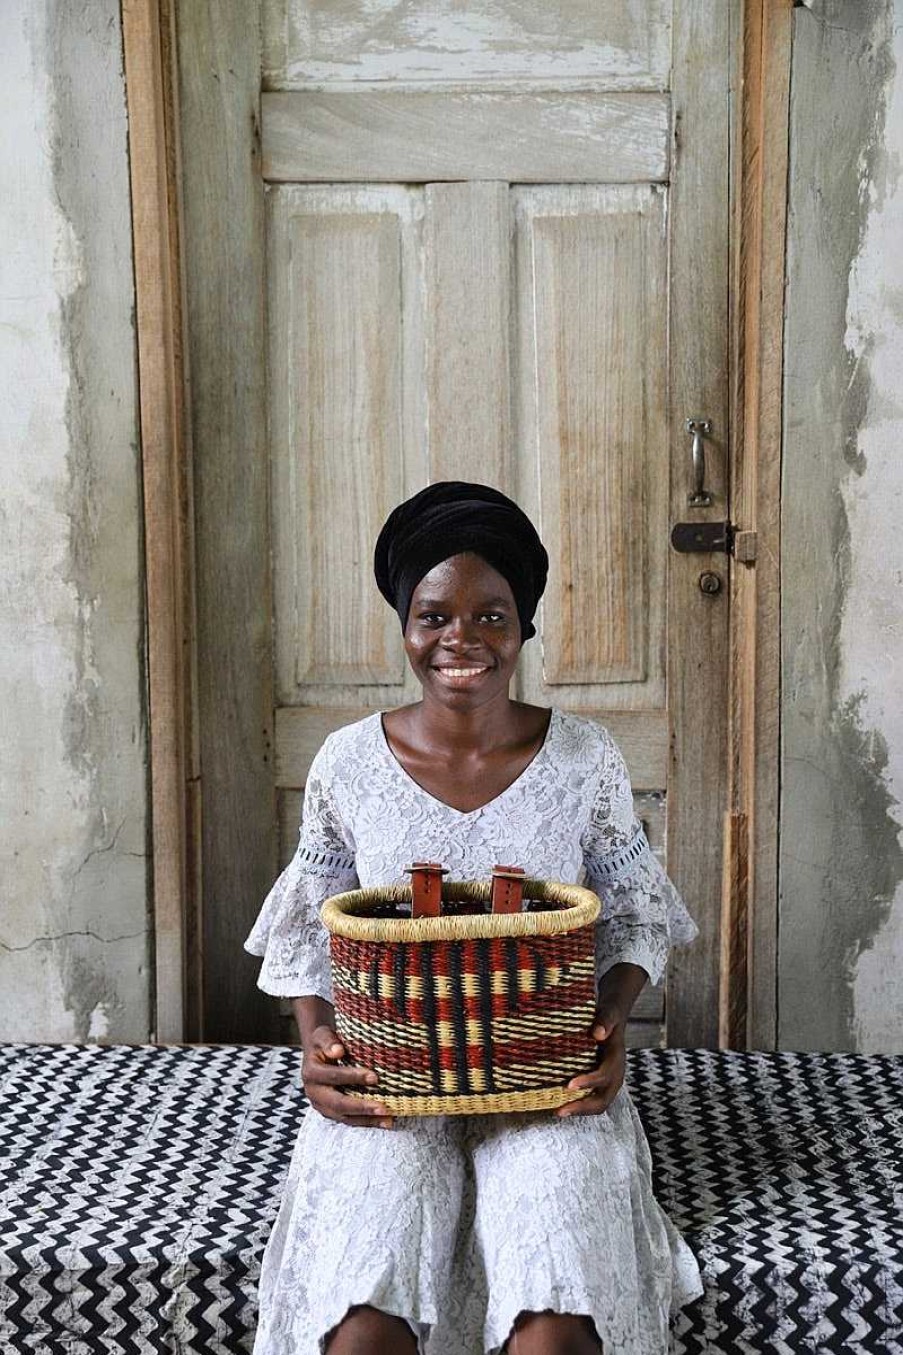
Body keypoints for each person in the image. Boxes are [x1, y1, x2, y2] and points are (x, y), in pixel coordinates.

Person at [244, 481, 703, 1355]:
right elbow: (309, 927)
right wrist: (316, 1046)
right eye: (433, 615)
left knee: (557, 1326)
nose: (461, 639)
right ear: (405, 625)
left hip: (545, 1080)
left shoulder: (583, 757)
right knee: (360, 1328)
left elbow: (638, 913)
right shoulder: (347, 762)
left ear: (523, 625)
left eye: (490, 615)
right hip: (390, 1080)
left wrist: (605, 1028)